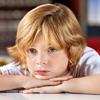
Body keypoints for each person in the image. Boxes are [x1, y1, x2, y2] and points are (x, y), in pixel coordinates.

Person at [0, 3, 100, 94]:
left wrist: (61, 86)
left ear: (71, 52)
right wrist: (23, 81)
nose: (40, 61)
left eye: (52, 49)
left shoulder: (85, 59)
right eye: (32, 50)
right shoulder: (25, 67)